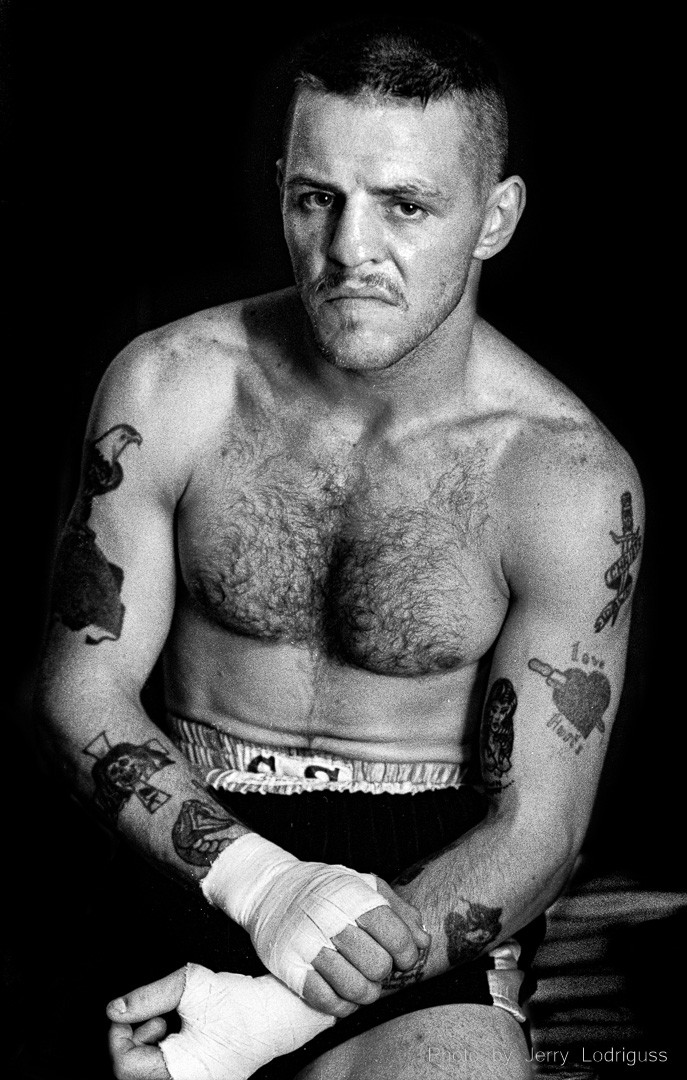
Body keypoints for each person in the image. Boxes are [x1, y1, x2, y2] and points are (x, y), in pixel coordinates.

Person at [36, 17, 643, 1080]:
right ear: (281, 188)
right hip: (173, 841)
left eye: (406, 205)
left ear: (496, 217)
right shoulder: (169, 385)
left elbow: (541, 824)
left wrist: (280, 1013)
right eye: (317, 198)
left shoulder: (565, 478)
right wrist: (263, 886)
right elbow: (79, 690)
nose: (350, 249)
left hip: (423, 889)